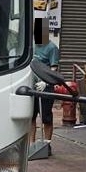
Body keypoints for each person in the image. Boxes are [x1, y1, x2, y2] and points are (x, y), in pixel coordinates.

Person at [30, 18, 60, 146]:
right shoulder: (31, 45)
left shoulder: (52, 48)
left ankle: (47, 144)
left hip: (45, 87)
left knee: (46, 117)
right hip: (32, 86)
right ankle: (31, 143)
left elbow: (54, 69)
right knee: (31, 116)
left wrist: (46, 82)